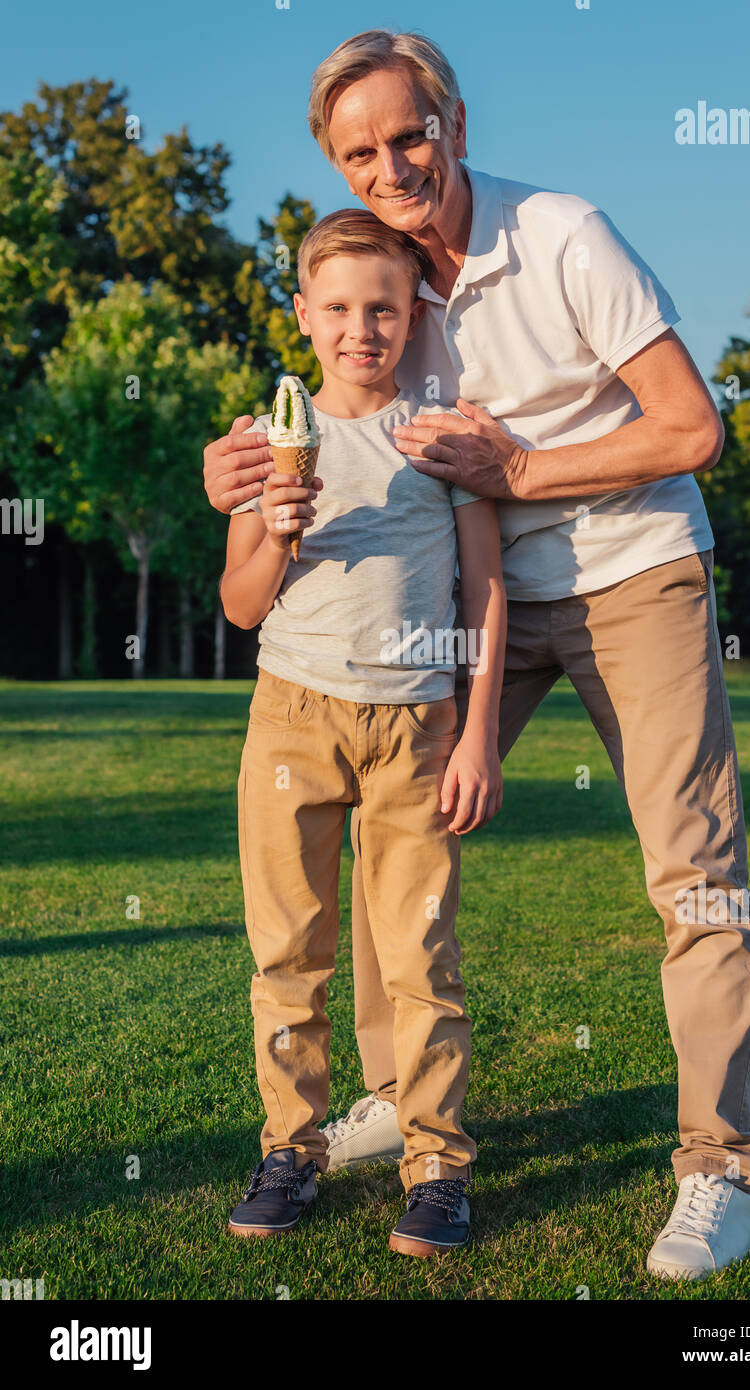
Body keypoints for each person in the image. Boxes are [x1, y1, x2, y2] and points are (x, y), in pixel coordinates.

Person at [204, 29, 750, 1280]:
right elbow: (318, 440)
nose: (391, 164)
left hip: (632, 573)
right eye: (359, 151)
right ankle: (398, 1103)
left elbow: (693, 428)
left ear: (453, 118)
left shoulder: (564, 232)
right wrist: (231, 475)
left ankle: (720, 1163)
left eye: (409, 134)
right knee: (398, 843)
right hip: (476, 600)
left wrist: (518, 472)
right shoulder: (382, 276)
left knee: (696, 870)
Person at [220, 207, 506, 1256]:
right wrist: (278, 536)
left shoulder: (439, 435)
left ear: (411, 314)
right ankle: (291, 1148)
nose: (360, 329)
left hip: (416, 724)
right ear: (304, 315)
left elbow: (486, 592)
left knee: (420, 952)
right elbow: (241, 604)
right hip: (293, 717)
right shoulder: (265, 445)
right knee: (289, 951)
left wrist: (477, 734)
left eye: (382, 308)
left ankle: (435, 1164)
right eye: (337, 308)